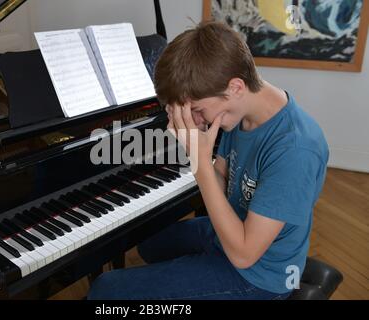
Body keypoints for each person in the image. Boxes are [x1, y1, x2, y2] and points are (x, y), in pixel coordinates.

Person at [88, 21, 329, 300]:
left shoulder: (295, 150)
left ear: (235, 87)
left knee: (106, 291)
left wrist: (199, 161)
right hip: (229, 233)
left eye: (198, 111)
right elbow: (222, 182)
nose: (195, 121)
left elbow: (243, 254)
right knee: (149, 242)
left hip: (261, 276)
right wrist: (199, 155)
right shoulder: (238, 114)